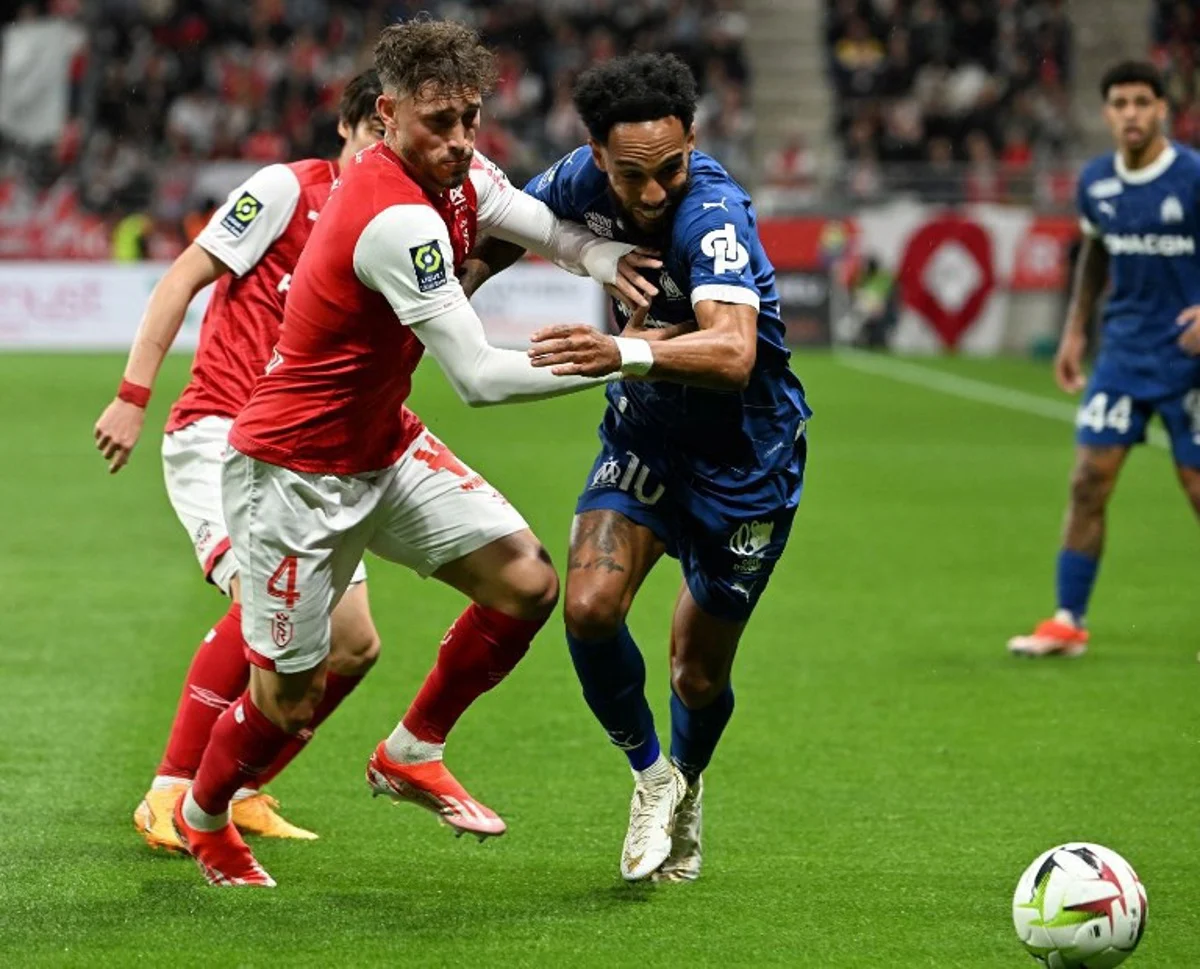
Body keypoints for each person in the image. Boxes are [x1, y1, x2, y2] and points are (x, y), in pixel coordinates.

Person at [169, 19, 660, 888]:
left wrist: (606, 254)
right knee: (291, 694)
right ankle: (203, 815)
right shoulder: (394, 217)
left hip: (381, 445)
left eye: (471, 117)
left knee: (527, 583)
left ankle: (412, 748)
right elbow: (475, 376)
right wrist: (625, 359)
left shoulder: (458, 169)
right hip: (294, 473)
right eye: (440, 122)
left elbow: (537, 223)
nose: (461, 140)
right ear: (387, 115)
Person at [466, 53, 811, 883]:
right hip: (647, 442)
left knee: (696, 669)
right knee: (586, 607)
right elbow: (502, 230)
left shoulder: (713, 212)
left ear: (692, 141)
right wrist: (446, 301)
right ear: (594, 153)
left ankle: (689, 781)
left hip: (746, 460)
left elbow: (731, 352)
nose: (654, 193)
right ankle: (651, 775)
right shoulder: (577, 179)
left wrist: (619, 349)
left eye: (671, 168)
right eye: (632, 176)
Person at [93, 70, 386, 851]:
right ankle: (169, 792)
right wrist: (132, 392)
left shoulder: (396, 224)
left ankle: (246, 785)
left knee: (353, 641)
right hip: (220, 434)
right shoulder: (285, 191)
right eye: (372, 137)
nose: (382, 155)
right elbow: (183, 277)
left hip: (307, 457)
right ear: (347, 131)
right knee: (265, 601)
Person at [1009, 61, 1200, 658]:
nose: (1132, 114)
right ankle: (1068, 620)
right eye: (1120, 103)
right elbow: (1094, 257)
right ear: (1106, 113)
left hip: (1189, 360)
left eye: (1143, 102)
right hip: (1122, 354)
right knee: (1089, 479)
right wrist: (1073, 335)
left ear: (1163, 109)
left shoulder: (1192, 177)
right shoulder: (1097, 182)